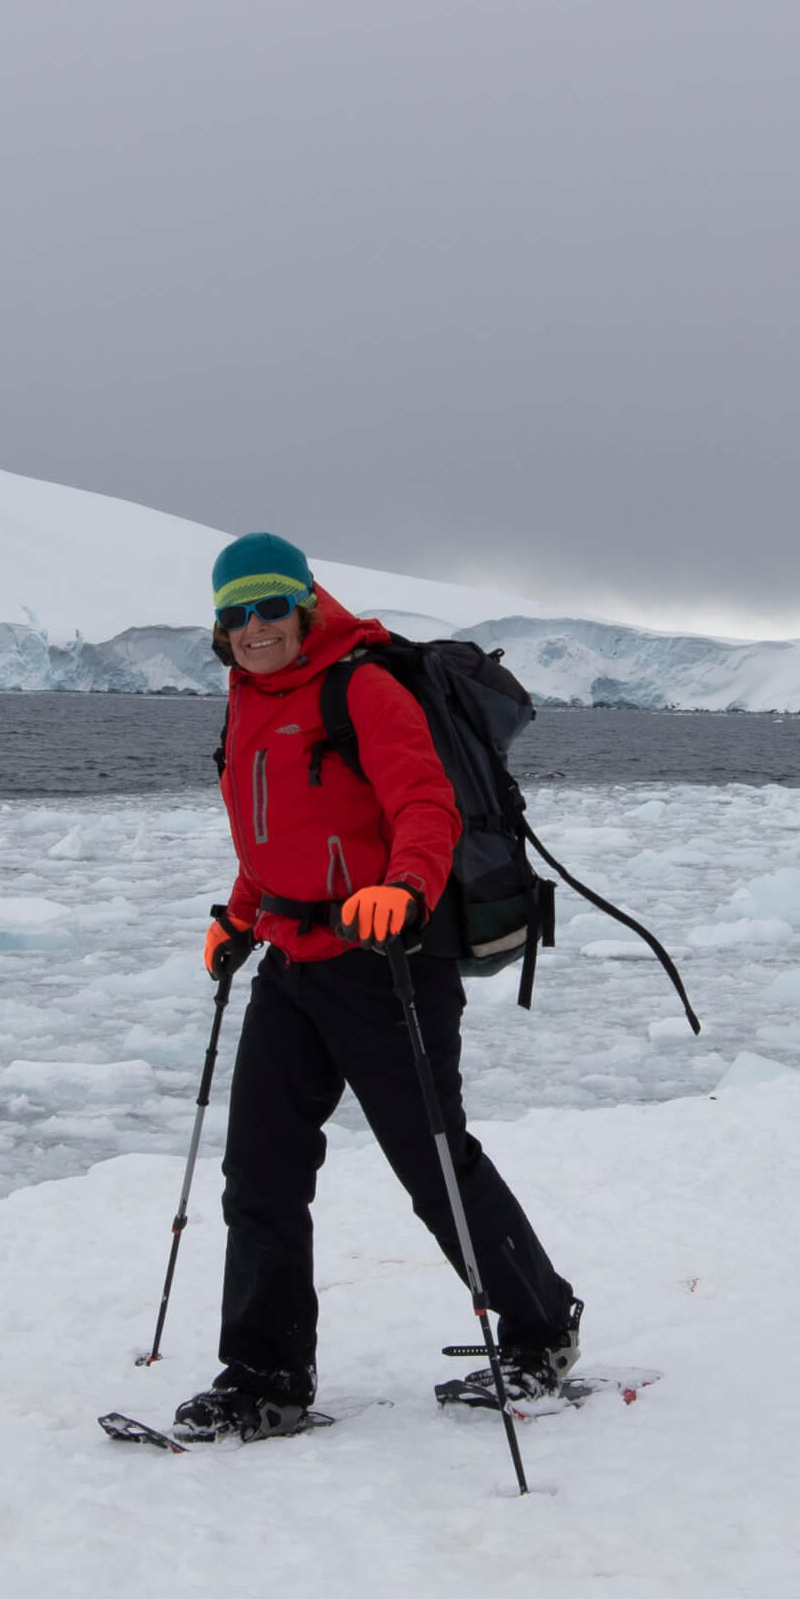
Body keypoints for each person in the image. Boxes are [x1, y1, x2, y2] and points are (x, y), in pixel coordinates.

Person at [177, 530, 580, 1441]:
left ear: (305, 604)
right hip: (291, 962)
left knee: (433, 1163)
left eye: (270, 606)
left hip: (387, 963)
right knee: (261, 1173)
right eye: (234, 615)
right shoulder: (245, 701)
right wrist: (240, 914)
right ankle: (265, 1376)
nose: (254, 627)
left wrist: (403, 890)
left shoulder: (362, 684)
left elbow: (423, 805)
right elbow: (270, 834)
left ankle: (541, 1330)